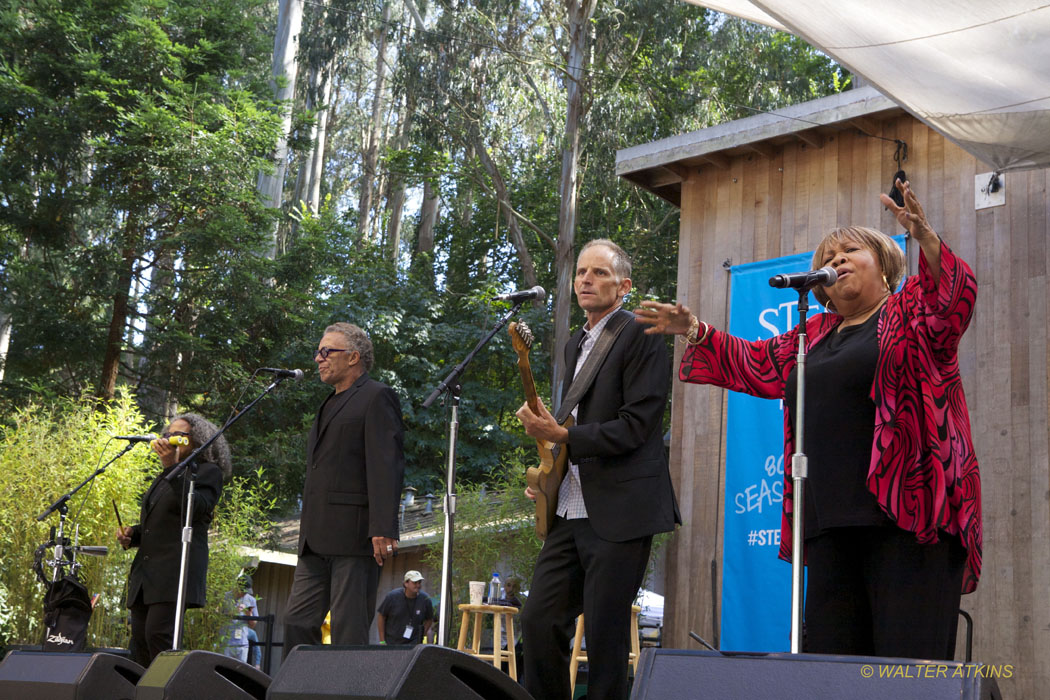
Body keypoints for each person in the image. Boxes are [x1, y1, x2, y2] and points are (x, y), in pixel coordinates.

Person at [635, 180, 982, 659]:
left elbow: (952, 301)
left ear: (884, 264)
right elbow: (750, 362)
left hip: (909, 519)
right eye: (829, 256)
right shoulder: (809, 335)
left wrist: (927, 240)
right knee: (831, 670)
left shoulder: (911, 312)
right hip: (827, 524)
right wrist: (694, 330)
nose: (836, 261)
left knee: (905, 671)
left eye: (850, 251)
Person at [515, 239, 681, 700]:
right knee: (539, 619)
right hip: (570, 505)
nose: (586, 279)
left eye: (600, 273)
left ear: (624, 287)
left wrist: (566, 437)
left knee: (606, 633)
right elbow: (577, 423)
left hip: (623, 507)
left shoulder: (641, 333)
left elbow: (637, 425)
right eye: (581, 272)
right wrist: (551, 472)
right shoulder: (574, 344)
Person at [282, 323, 405, 651]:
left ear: (353, 358)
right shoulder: (328, 404)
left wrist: (383, 527)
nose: (318, 359)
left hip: (354, 536)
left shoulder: (376, 396)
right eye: (317, 353)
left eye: (327, 352)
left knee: (348, 633)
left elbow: (385, 465)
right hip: (315, 539)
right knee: (297, 622)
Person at [116, 413, 230, 667]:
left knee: (159, 636)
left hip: (175, 570)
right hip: (148, 574)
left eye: (179, 434)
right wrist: (132, 534)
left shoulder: (208, 473)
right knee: (140, 641)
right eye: (167, 434)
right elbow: (159, 524)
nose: (169, 439)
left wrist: (172, 467)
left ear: (198, 441)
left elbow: (196, 508)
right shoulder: (164, 476)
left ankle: (165, 691)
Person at [376, 570, 434, 645]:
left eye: (419, 582)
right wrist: (382, 641)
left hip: (413, 644)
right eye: (415, 582)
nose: (418, 585)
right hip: (391, 642)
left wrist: (421, 635)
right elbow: (381, 616)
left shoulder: (425, 599)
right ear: (406, 583)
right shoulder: (392, 597)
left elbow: (429, 619)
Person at [223, 574, 258, 663]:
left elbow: (253, 624)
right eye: (243, 591)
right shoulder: (226, 597)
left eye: (246, 592)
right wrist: (233, 611)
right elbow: (219, 617)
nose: (244, 594)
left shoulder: (251, 600)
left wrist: (249, 614)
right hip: (226, 642)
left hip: (242, 643)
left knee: (240, 673)